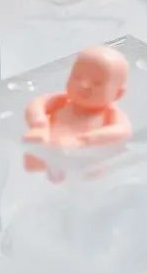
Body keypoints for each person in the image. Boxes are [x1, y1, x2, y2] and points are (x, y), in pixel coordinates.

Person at [22, 46, 132, 179]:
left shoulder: (110, 113)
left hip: (81, 157)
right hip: (50, 144)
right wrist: (39, 125)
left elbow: (123, 130)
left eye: (97, 83)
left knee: (88, 171)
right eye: (77, 76)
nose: (84, 85)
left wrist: (84, 141)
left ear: (118, 94)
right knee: (36, 160)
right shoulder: (60, 100)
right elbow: (38, 104)